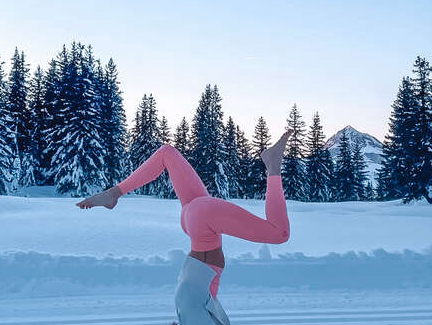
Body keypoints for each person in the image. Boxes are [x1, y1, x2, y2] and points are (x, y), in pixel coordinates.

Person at [76, 128, 293, 325]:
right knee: (167, 153)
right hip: (195, 221)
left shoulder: (192, 315)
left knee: (279, 233)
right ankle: (113, 194)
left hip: (203, 218)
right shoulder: (187, 311)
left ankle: (273, 167)